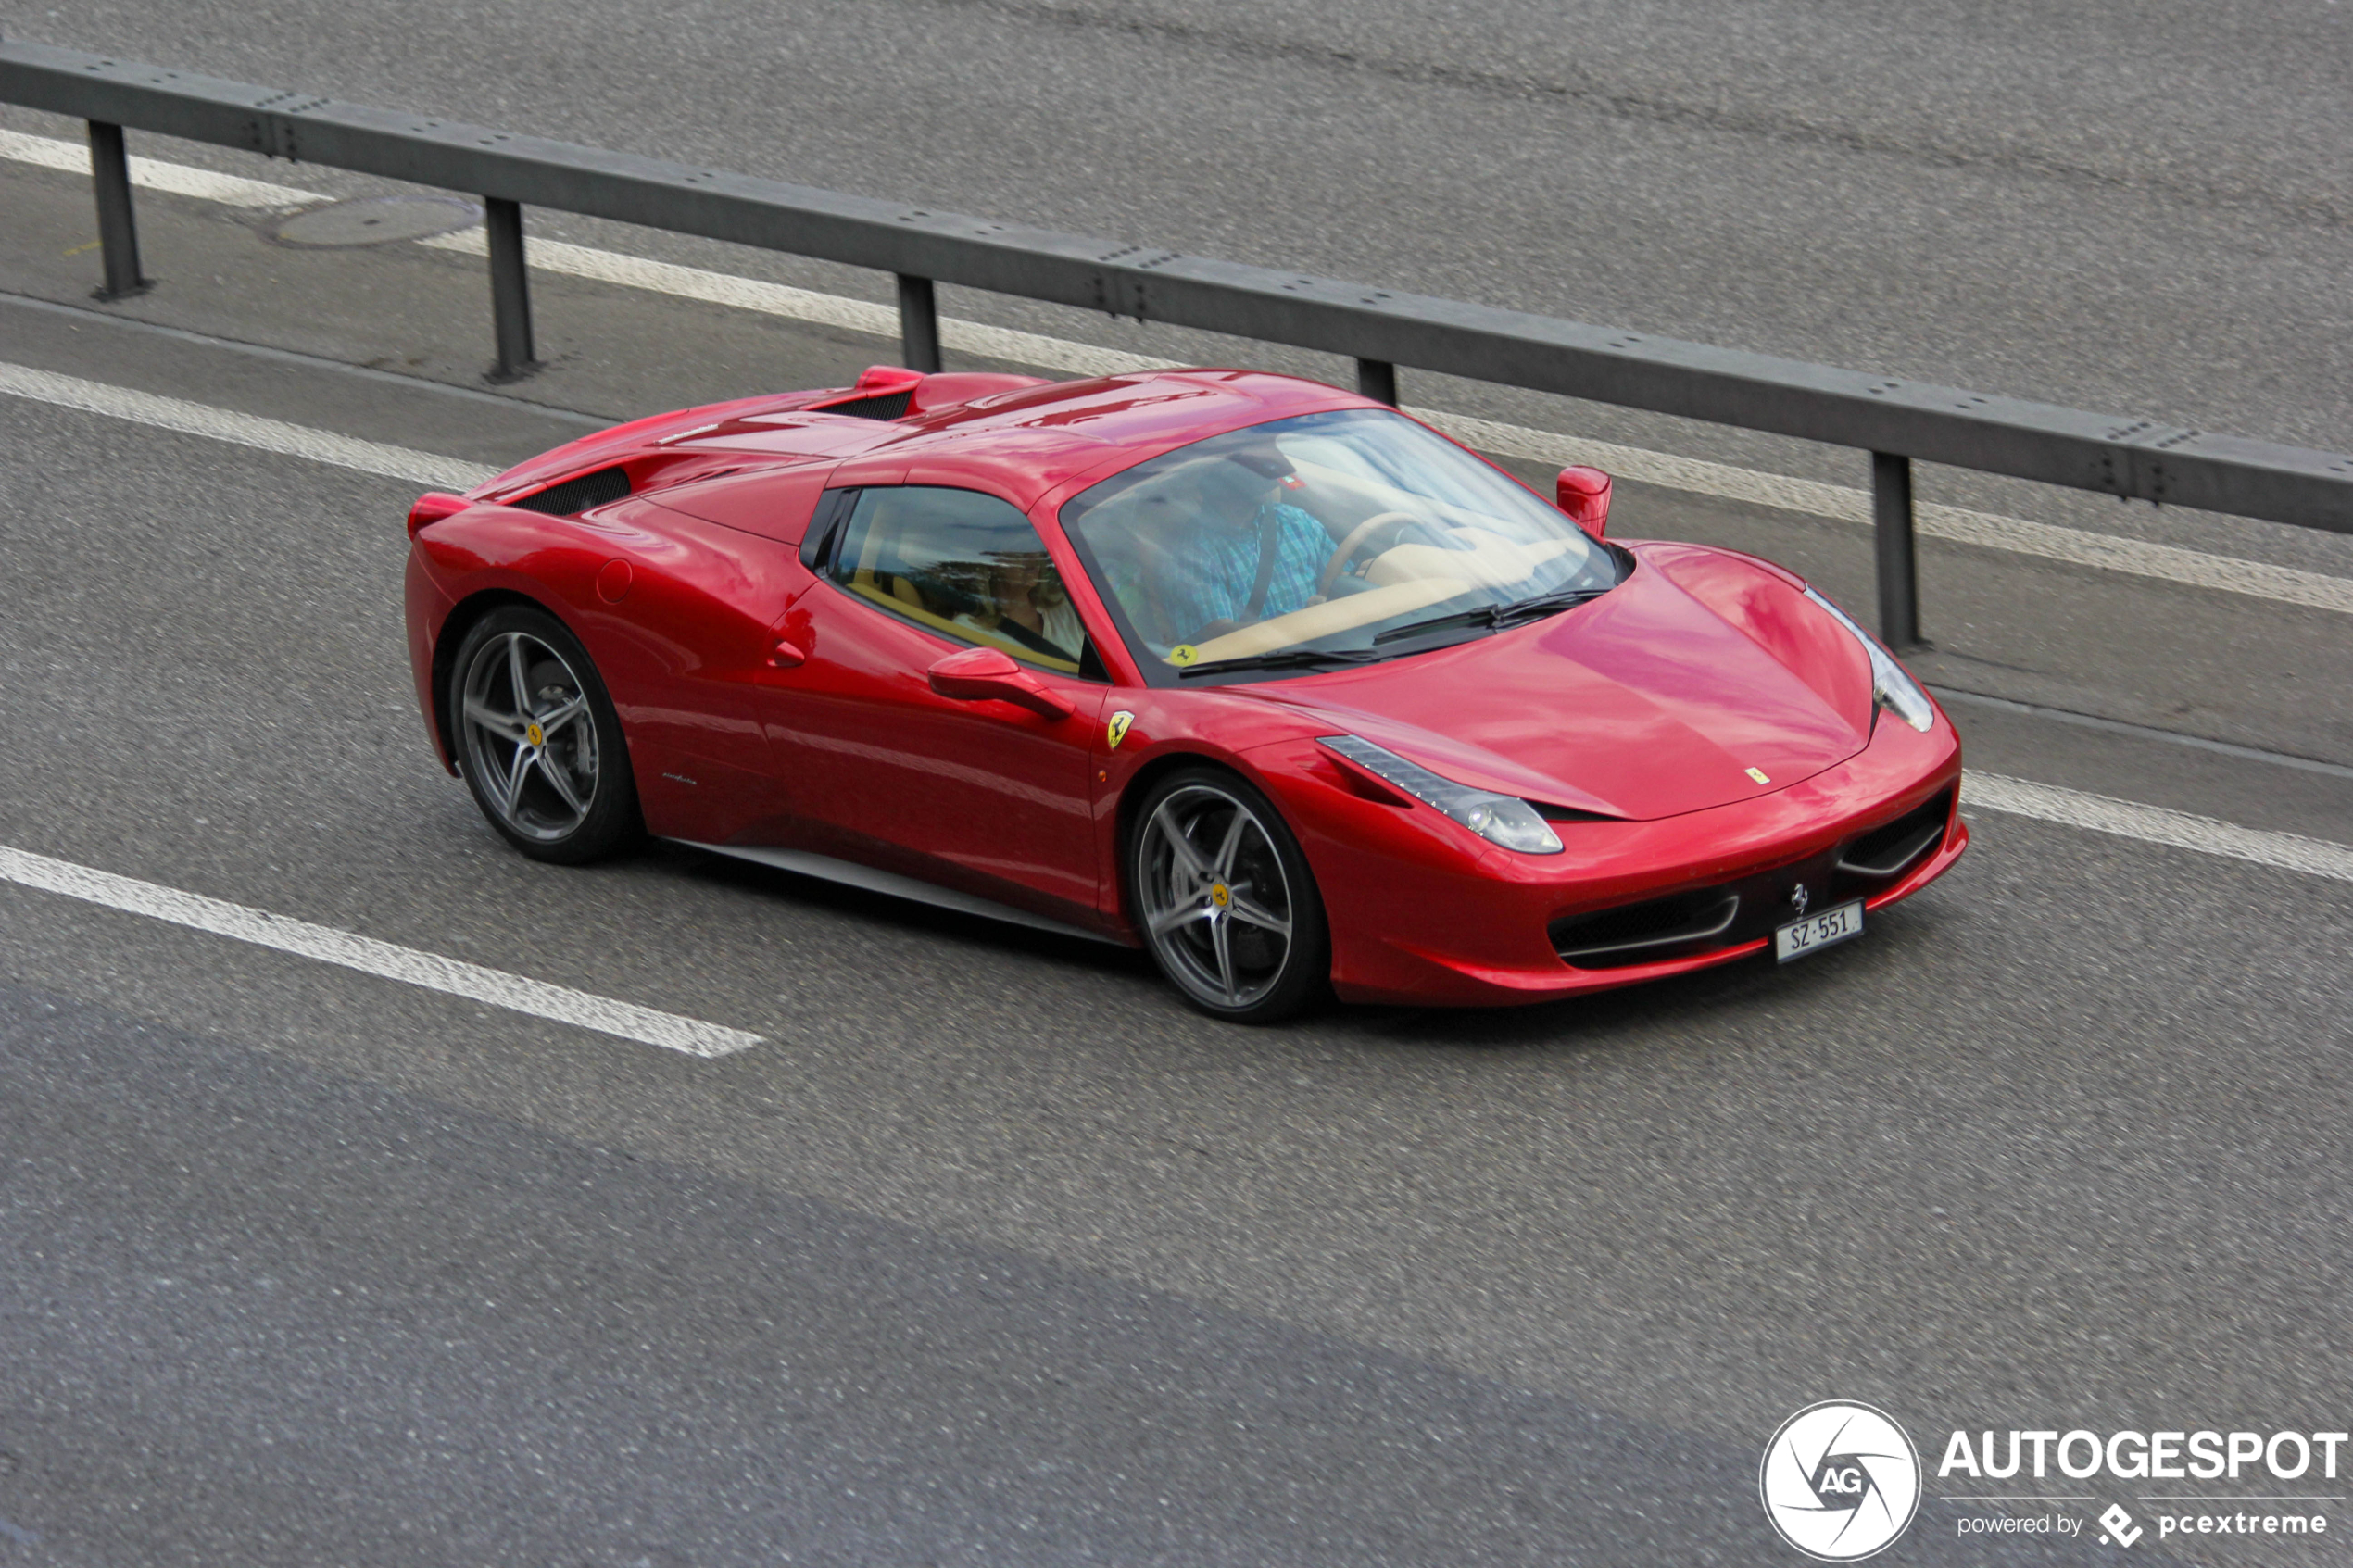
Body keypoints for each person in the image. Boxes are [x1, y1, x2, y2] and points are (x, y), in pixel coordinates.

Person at [1151, 457, 1330, 642]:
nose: (1264, 475)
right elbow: (1222, 637)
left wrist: (1327, 600)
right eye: (1250, 470)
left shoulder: (1296, 521)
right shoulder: (1192, 555)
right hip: (1265, 663)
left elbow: (1344, 578)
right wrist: (1305, 623)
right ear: (1216, 487)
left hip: (1335, 647)